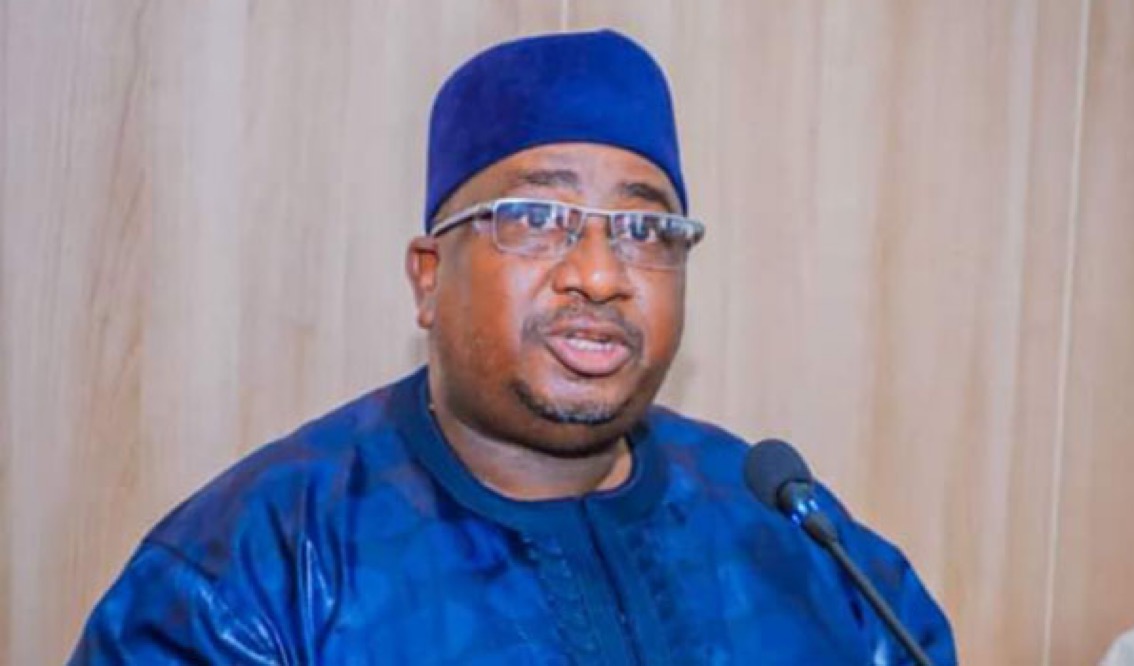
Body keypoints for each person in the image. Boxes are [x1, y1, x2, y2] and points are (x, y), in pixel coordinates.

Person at [71, 30, 956, 665]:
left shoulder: (792, 538)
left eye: (644, 229)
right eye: (536, 218)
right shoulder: (250, 569)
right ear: (429, 277)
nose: (601, 275)